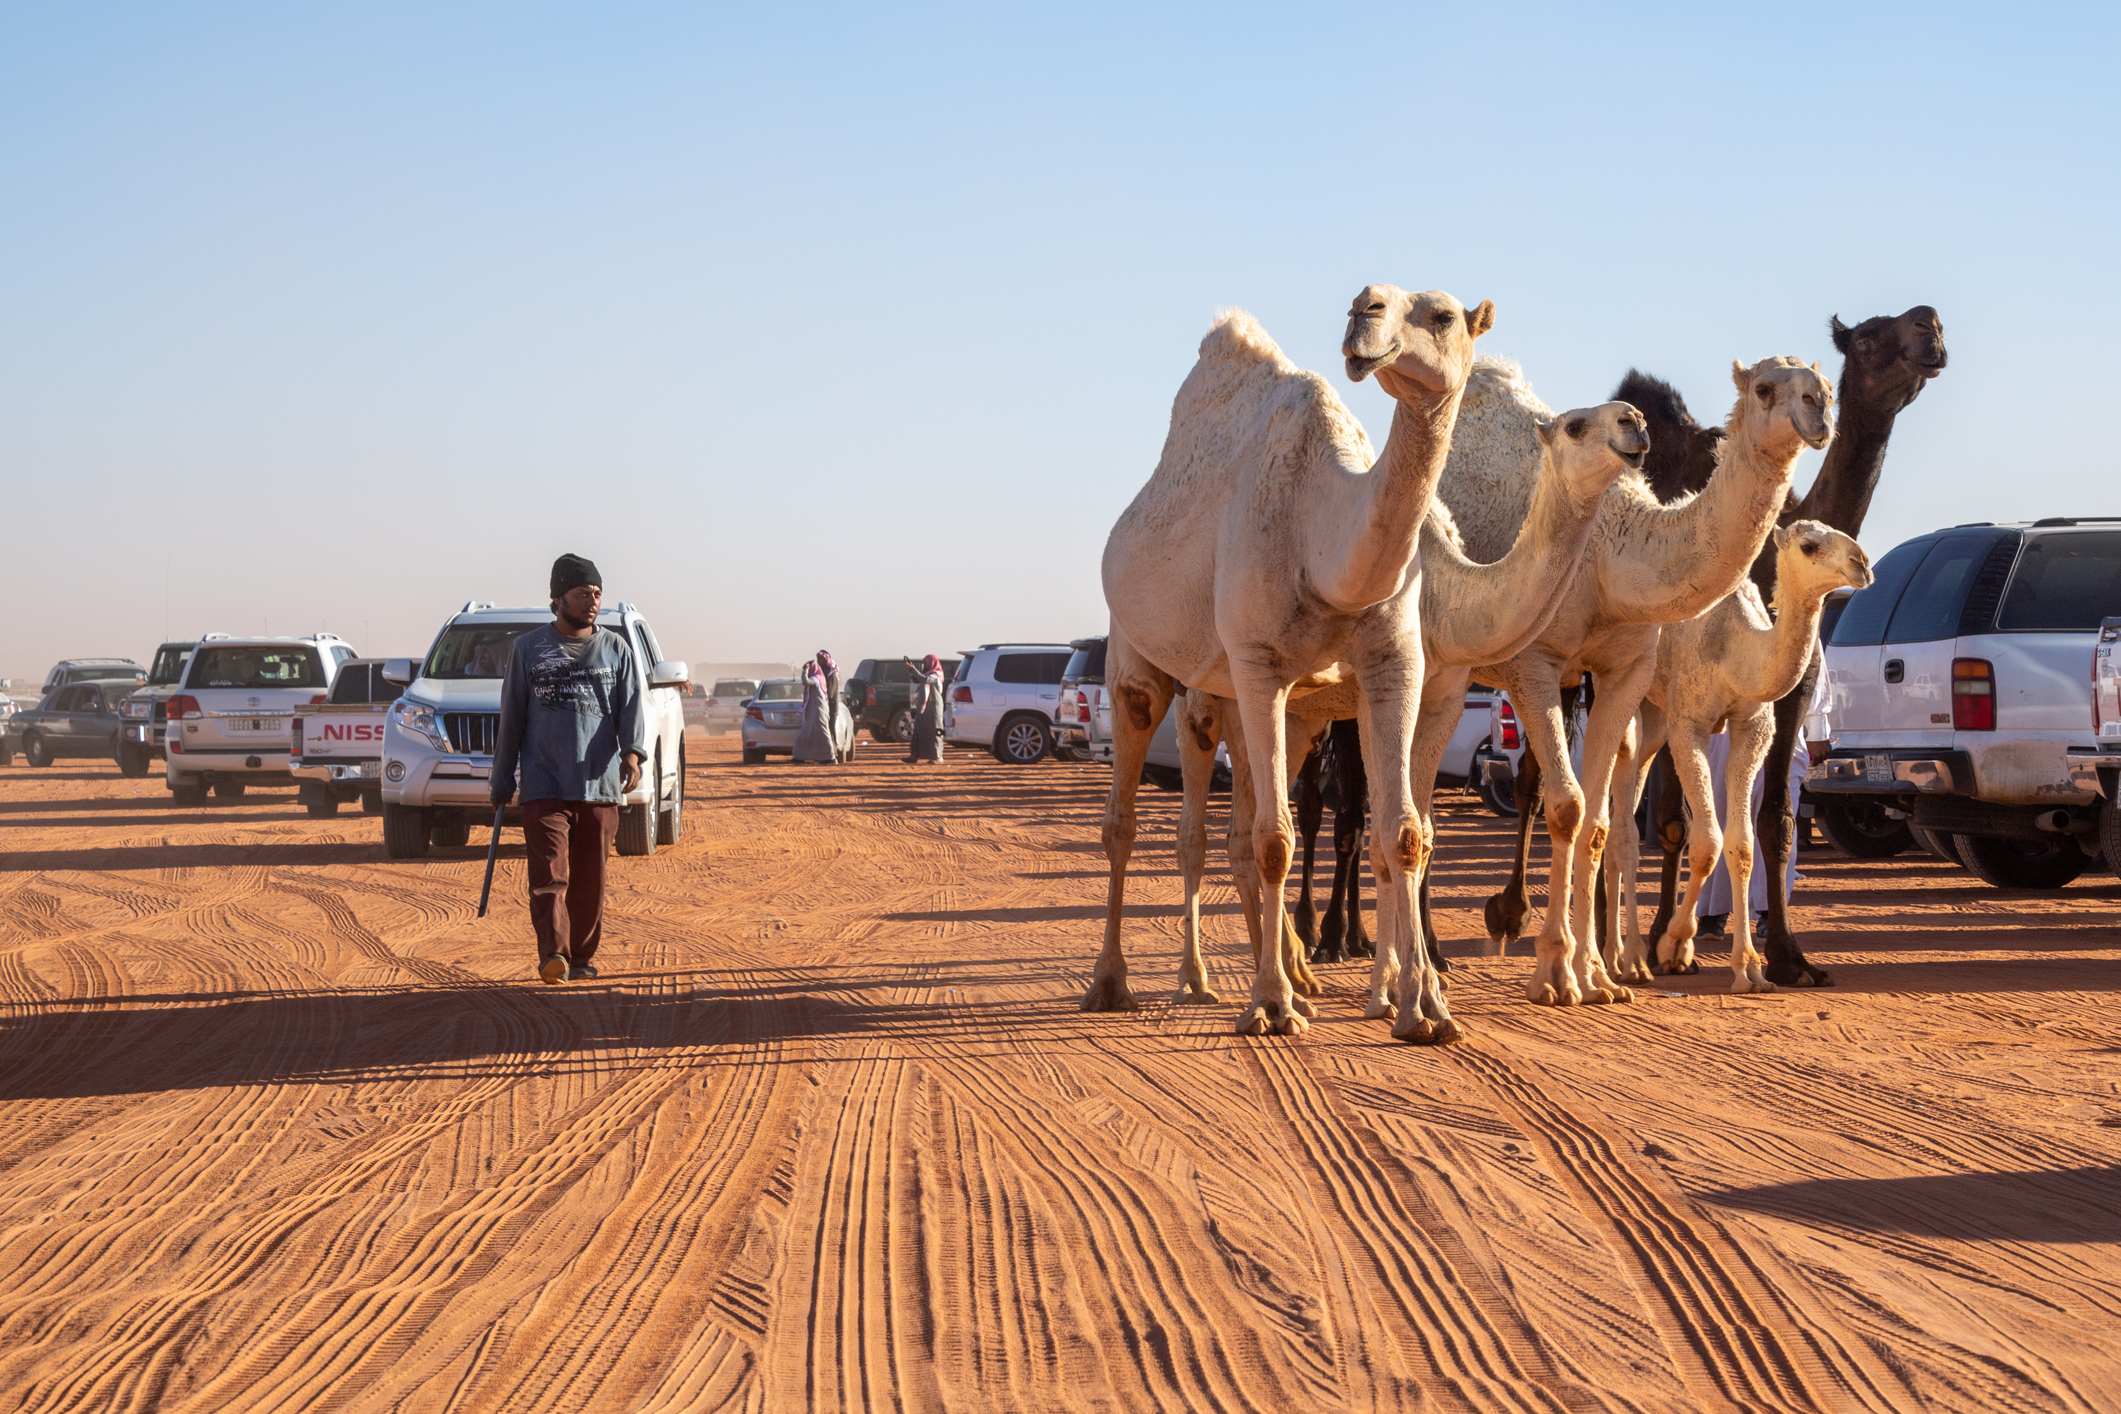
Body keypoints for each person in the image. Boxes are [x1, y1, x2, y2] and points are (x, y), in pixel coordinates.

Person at [490, 553, 646, 984]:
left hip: (598, 782)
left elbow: (633, 707)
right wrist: (501, 777)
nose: (592, 601)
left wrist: (632, 754)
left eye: (597, 594)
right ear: (557, 599)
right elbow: (512, 719)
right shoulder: (527, 650)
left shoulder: (616, 649)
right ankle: (553, 955)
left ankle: (580, 958)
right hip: (544, 782)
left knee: (590, 882)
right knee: (548, 876)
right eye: (582, 594)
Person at [793, 649, 853, 764]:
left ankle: (831, 757)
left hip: (827, 708)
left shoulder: (828, 674)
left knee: (827, 733)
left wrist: (805, 670)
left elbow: (829, 693)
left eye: (821, 658)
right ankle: (805, 757)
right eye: (818, 659)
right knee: (809, 733)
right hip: (816, 710)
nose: (820, 660)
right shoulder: (820, 674)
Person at [903, 654, 946, 764]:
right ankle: (914, 756)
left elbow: (926, 680)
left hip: (934, 708)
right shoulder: (925, 674)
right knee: (918, 731)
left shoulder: (936, 674)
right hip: (923, 708)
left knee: (935, 732)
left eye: (926, 662)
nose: (925, 664)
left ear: (932, 662)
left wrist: (914, 670)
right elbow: (917, 680)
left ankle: (937, 757)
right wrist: (911, 670)